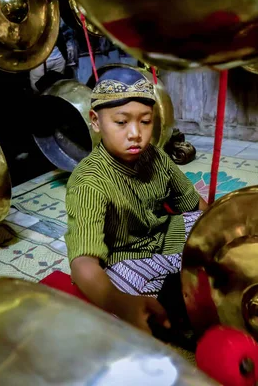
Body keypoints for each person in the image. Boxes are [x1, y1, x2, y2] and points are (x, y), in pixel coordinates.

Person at [65, 67, 208, 334]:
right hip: (125, 259)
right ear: (95, 121)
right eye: (121, 122)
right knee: (137, 304)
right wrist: (122, 304)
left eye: (145, 121)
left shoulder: (155, 156)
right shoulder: (88, 182)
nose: (135, 133)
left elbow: (193, 204)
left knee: (208, 228)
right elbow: (83, 262)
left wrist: (220, 232)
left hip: (166, 237)